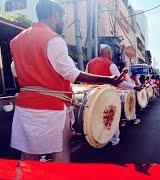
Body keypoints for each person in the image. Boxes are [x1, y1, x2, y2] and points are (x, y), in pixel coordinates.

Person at [9, 0, 122, 162]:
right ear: (55, 15)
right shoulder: (53, 39)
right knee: (60, 155)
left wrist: (34, 79)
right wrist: (109, 80)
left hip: (25, 109)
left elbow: (15, 71)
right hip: (51, 109)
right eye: (62, 18)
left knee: (28, 156)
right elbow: (71, 74)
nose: (62, 22)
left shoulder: (16, 40)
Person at [87, 45, 142, 139]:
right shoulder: (111, 64)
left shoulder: (89, 63)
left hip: (91, 96)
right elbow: (119, 83)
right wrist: (134, 87)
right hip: (106, 96)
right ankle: (113, 139)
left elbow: (85, 79)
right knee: (112, 117)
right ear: (108, 53)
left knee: (95, 118)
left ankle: (97, 137)